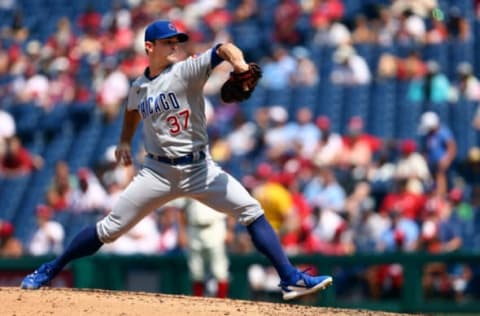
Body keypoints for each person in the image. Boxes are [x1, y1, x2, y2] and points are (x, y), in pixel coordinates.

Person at [20, 19, 332, 300]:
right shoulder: (138, 87)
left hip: (200, 169)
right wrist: (125, 141)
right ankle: (50, 268)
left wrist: (239, 65)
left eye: (176, 41)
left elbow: (223, 48)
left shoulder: (186, 70)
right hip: (156, 172)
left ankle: (290, 278)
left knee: (251, 210)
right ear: (149, 47)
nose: (174, 46)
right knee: (108, 230)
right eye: (168, 41)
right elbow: (131, 111)